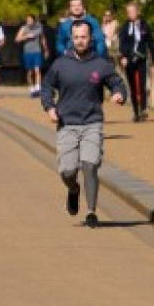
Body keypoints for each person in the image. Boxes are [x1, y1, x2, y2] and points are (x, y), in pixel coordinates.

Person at [41, 20, 126, 228]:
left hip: (92, 122)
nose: (80, 41)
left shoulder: (100, 64)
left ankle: (91, 212)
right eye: (76, 37)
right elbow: (47, 86)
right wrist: (50, 107)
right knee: (67, 171)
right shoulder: (61, 64)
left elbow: (117, 82)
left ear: (91, 39)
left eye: (84, 37)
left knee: (90, 164)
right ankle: (73, 190)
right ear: (72, 39)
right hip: (67, 123)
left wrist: (118, 94)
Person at [118, 1, 154, 122]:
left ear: (138, 12)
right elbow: (122, 43)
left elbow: (151, 43)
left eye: (133, 11)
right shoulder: (125, 27)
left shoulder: (144, 25)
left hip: (141, 59)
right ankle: (136, 112)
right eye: (128, 12)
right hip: (129, 59)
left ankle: (143, 109)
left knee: (142, 85)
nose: (131, 14)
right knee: (132, 86)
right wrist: (123, 57)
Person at [15, 14, 47, 98]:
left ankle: (38, 88)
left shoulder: (39, 27)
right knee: (29, 72)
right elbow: (17, 39)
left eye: (30, 20)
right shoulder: (24, 28)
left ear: (34, 20)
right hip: (27, 52)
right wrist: (26, 36)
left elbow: (42, 38)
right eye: (27, 20)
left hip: (37, 51)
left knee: (37, 70)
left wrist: (46, 49)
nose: (29, 21)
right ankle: (32, 89)